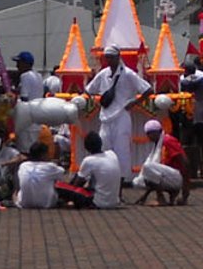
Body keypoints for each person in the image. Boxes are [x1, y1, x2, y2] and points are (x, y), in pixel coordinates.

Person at [84, 44, 150, 178]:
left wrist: (134, 102)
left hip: (122, 116)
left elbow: (148, 90)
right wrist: (97, 103)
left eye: (111, 58)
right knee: (103, 148)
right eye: (107, 58)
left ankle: (123, 179)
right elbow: (88, 90)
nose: (109, 61)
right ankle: (105, 177)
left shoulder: (128, 74)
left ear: (118, 57)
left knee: (122, 150)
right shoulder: (103, 74)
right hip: (105, 116)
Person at [179, 57, 203, 178]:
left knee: (187, 145)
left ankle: (190, 171)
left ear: (185, 71)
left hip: (188, 118)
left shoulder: (182, 83)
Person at [135, 119, 189, 205]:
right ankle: (167, 195)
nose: (148, 137)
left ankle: (161, 199)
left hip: (176, 177)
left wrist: (186, 190)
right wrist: (145, 195)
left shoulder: (167, 141)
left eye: (149, 134)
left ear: (155, 132)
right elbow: (154, 176)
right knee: (140, 180)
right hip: (169, 176)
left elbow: (184, 161)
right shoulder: (157, 144)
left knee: (148, 167)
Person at [75, 130, 125, 209]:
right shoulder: (112, 154)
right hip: (114, 201)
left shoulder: (89, 160)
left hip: (98, 202)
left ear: (86, 147)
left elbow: (77, 184)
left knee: (69, 191)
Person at [15, 141, 67, 209]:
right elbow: (63, 174)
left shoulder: (23, 165)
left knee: (15, 192)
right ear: (43, 155)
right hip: (46, 204)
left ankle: (16, 201)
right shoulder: (50, 166)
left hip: (24, 203)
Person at [12, 50, 45, 150]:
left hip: (27, 120)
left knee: (24, 150)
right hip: (38, 118)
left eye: (19, 63)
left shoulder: (25, 76)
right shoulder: (38, 76)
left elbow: (24, 98)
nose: (17, 66)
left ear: (25, 64)